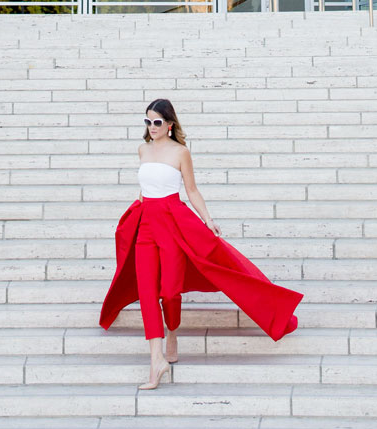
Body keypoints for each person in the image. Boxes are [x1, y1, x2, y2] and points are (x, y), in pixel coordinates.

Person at [99, 97, 303, 389]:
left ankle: (172, 332)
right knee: (146, 292)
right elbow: (146, 188)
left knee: (169, 291)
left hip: (172, 223)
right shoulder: (142, 150)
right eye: (147, 121)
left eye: (157, 122)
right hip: (146, 224)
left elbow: (192, 190)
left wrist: (208, 220)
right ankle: (156, 361)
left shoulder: (181, 152)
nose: (152, 127)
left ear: (170, 125)